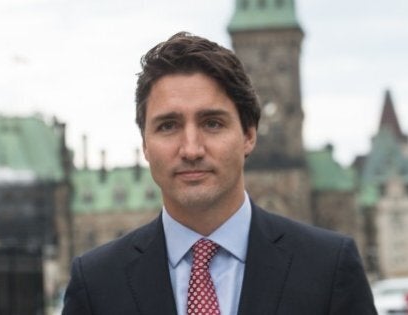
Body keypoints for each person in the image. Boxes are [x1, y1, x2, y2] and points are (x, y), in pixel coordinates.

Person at [61, 32, 376, 315]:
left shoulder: (328, 267)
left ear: (249, 135)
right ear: (145, 144)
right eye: (168, 126)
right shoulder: (97, 282)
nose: (191, 149)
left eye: (212, 123)